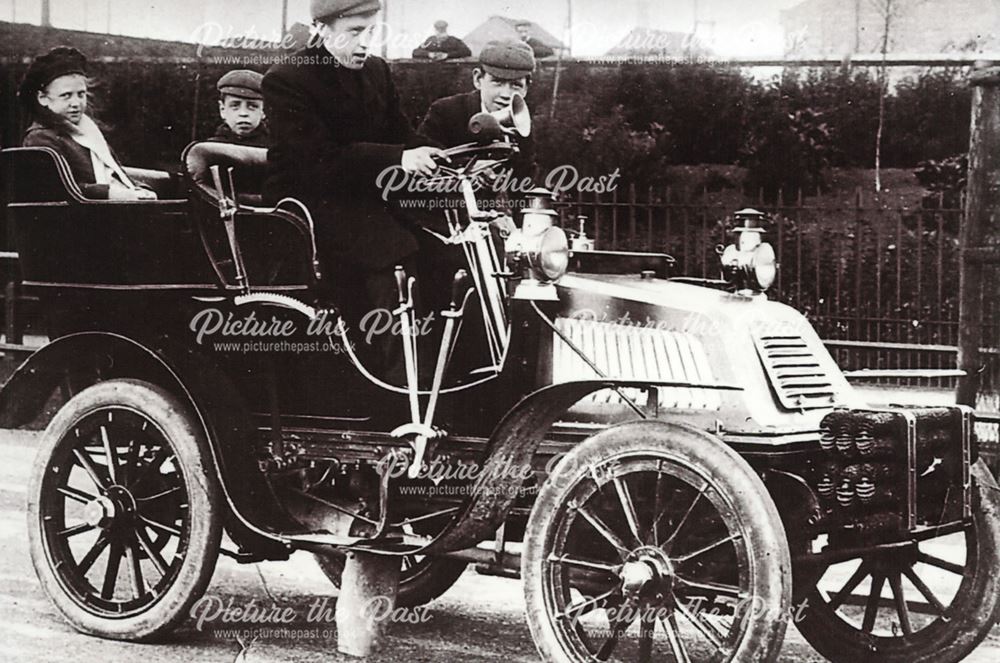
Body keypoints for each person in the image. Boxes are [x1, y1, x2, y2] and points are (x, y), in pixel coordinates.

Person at [262, 0, 446, 382]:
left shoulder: (376, 71)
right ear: (322, 30)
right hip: (309, 204)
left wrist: (439, 157)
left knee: (445, 248)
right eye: (355, 32)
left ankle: (450, 377)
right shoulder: (288, 79)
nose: (365, 43)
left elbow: (402, 133)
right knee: (393, 251)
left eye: (371, 32)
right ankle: (402, 386)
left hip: (363, 200)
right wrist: (399, 158)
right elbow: (316, 160)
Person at [19, 46, 156, 201]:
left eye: (81, 94)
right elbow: (56, 189)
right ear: (43, 98)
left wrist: (141, 189)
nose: (76, 103)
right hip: (79, 218)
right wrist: (111, 193)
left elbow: (112, 172)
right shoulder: (41, 137)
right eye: (66, 95)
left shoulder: (88, 130)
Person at [419, 39, 537, 185]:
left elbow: (524, 178)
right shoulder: (445, 111)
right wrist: (469, 166)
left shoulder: (521, 121)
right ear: (478, 79)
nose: (506, 94)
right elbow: (425, 161)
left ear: (525, 89)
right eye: (497, 82)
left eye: (516, 85)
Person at [210, 69, 269, 147]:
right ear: (222, 110)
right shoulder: (210, 149)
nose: (243, 113)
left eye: (252, 106)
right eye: (235, 105)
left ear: (264, 111)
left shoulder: (275, 150)